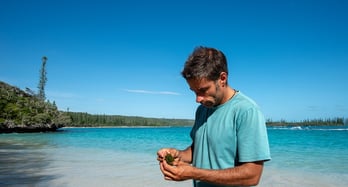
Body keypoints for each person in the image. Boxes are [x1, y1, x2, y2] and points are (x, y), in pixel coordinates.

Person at [157, 46, 271, 187]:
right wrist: (177, 155)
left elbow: (252, 176)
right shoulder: (202, 109)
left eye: (203, 90)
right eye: (194, 91)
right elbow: (197, 149)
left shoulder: (246, 111)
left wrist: (193, 173)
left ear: (222, 79)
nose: (197, 99)